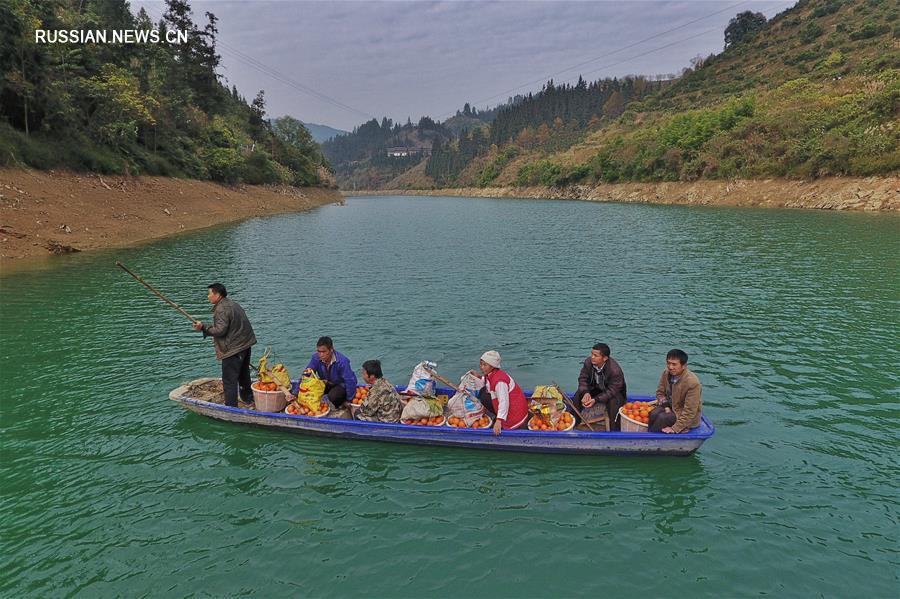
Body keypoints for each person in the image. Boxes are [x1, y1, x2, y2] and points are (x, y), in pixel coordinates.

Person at [192, 283, 257, 408]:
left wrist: (203, 327)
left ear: (217, 294)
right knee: (243, 374)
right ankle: (248, 399)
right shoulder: (233, 304)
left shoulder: (221, 308)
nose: (208, 297)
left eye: (209, 294)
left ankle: (231, 406)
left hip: (234, 350)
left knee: (229, 379)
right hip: (245, 345)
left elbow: (220, 330)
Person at [469, 350, 529, 435]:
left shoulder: (500, 382)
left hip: (514, 412)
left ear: (492, 366)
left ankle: (502, 419)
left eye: (484, 365)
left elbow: (504, 402)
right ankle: (499, 415)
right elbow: (488, 382)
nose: (481, 367)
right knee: (483, 393)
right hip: (509, 404)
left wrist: (499, 420)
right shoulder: (493, 374)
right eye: (481, 364)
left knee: (485, 396)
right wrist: (479, 377)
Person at [574, 342, 628, 431]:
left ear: (605, 358)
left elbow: (613, 390)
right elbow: (583, 379)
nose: (592, 357)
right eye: (592, 354)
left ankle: (613, 429)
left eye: (596, 355)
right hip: (596, 388)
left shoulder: (615, 370)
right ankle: (576, 422)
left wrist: (596, 400)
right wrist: (585, 392)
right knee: (578, 395)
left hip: (612, 393)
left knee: (614, 402)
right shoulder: (588, 362)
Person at [649, 349, 703, 433]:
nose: (670, 367)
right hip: (670, 406)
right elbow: (660, 393)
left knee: (663, 418)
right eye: (668, 363)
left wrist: (675, 428)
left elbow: (690, 411)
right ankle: (650, 433)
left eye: (674, 364)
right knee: (653, 413)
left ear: (684, 365)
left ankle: (651, 438)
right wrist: (666, 407)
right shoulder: (666, 374)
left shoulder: (692, 383)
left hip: (683, 415)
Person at [305, 336, 358, 408]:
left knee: (334, 396)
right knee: (310, 390)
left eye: (324, 352)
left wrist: (349, 399)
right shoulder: (315, 358)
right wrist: (296, 392)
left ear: (331, 350)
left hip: (341, 385)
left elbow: (350, 381)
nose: (321, 354)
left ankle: (340, 403)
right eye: (319, 351)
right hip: (326, 383)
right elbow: (306, 374)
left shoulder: (342, 361)